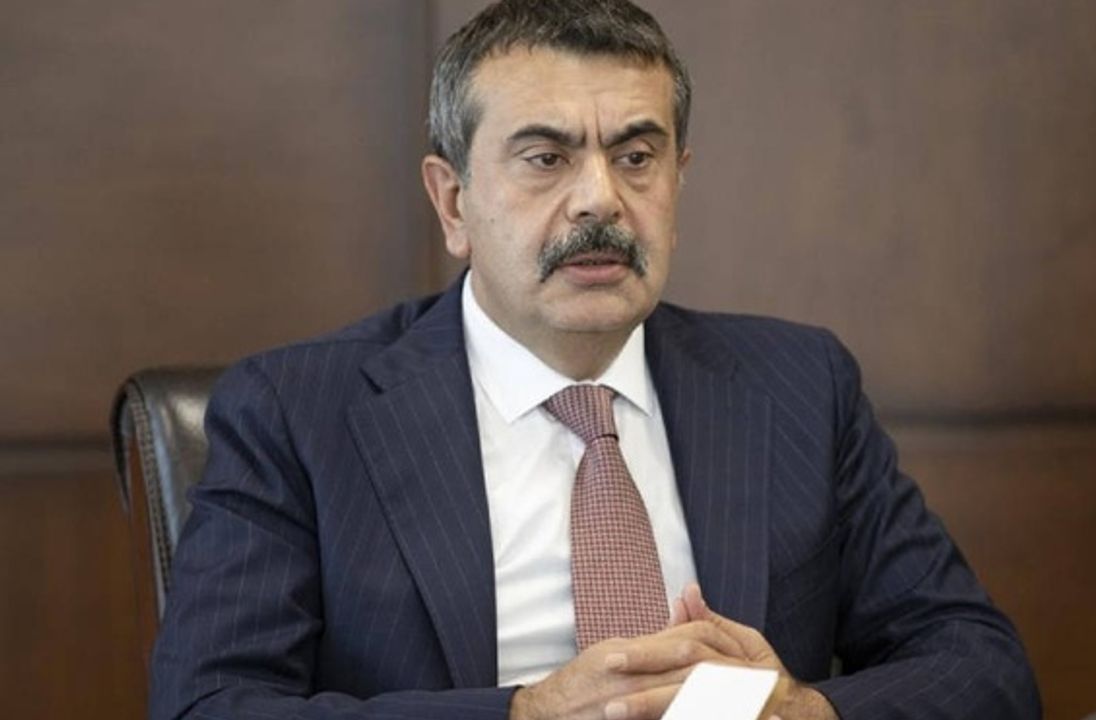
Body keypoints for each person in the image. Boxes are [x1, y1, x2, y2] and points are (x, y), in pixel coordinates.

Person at [150, 1, 1041, 718]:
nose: (599, 201)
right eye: (546, 158)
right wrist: (525, 714)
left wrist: (805, 711)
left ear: (678, 180)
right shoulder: (296, 410)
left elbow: (983, 667)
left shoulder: (799, 384)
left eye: (636, 156)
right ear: (453, 202)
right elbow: (208, 704)